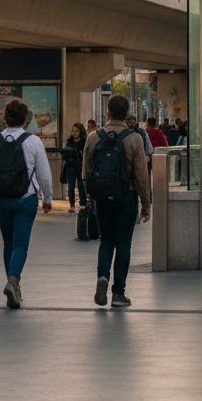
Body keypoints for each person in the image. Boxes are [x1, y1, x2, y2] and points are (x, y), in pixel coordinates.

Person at [0, 98, 53, 308]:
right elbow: (44, 174)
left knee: (8, 243)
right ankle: (13, 281)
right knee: (21, 243)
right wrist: (48, 198)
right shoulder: (33, 141)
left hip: (2, 200)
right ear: (25, 119)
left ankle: (13, 285)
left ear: (4, 118)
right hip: (26, 200)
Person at [82, 94, 151, 308]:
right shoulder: (134, 138)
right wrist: (146, 204)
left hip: (102, 197)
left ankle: (102, 277)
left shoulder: (94, 137)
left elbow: (86, 171)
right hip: (126, 196)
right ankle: (118, 293)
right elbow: (141, 174)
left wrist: (90, 195)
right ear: (127, 113)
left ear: (108, 112)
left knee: (106, 240)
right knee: (123, 243)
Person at [60, 123, 88, 212]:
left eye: (76, 131)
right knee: (71, 186)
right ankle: (72, 205)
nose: (74, 133)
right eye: (73, 131)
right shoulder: (69, 141)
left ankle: (83, 203)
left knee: (81, 185)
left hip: (80, 166)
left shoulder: (84, 142)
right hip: (70, 165)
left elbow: (85, 154)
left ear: (80, 132)